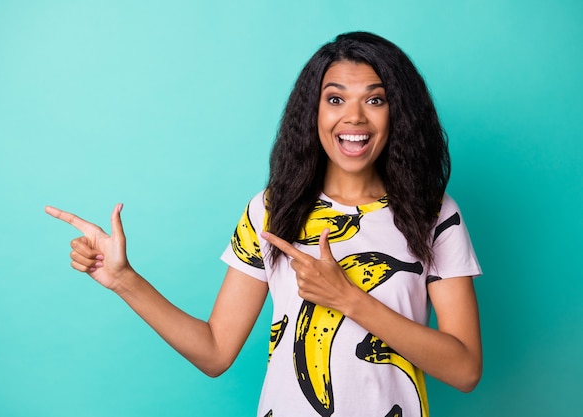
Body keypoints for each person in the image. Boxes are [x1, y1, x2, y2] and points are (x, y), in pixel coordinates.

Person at [46, 31, 482, 417]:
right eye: (335, 99)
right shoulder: (273, 210)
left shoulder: (433, 214)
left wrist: (349, 299)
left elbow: (465, 370)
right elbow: (216, 351)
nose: (354, 118)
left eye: (375, 99)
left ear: (398, 113)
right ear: (313, 112)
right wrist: (124, 279)